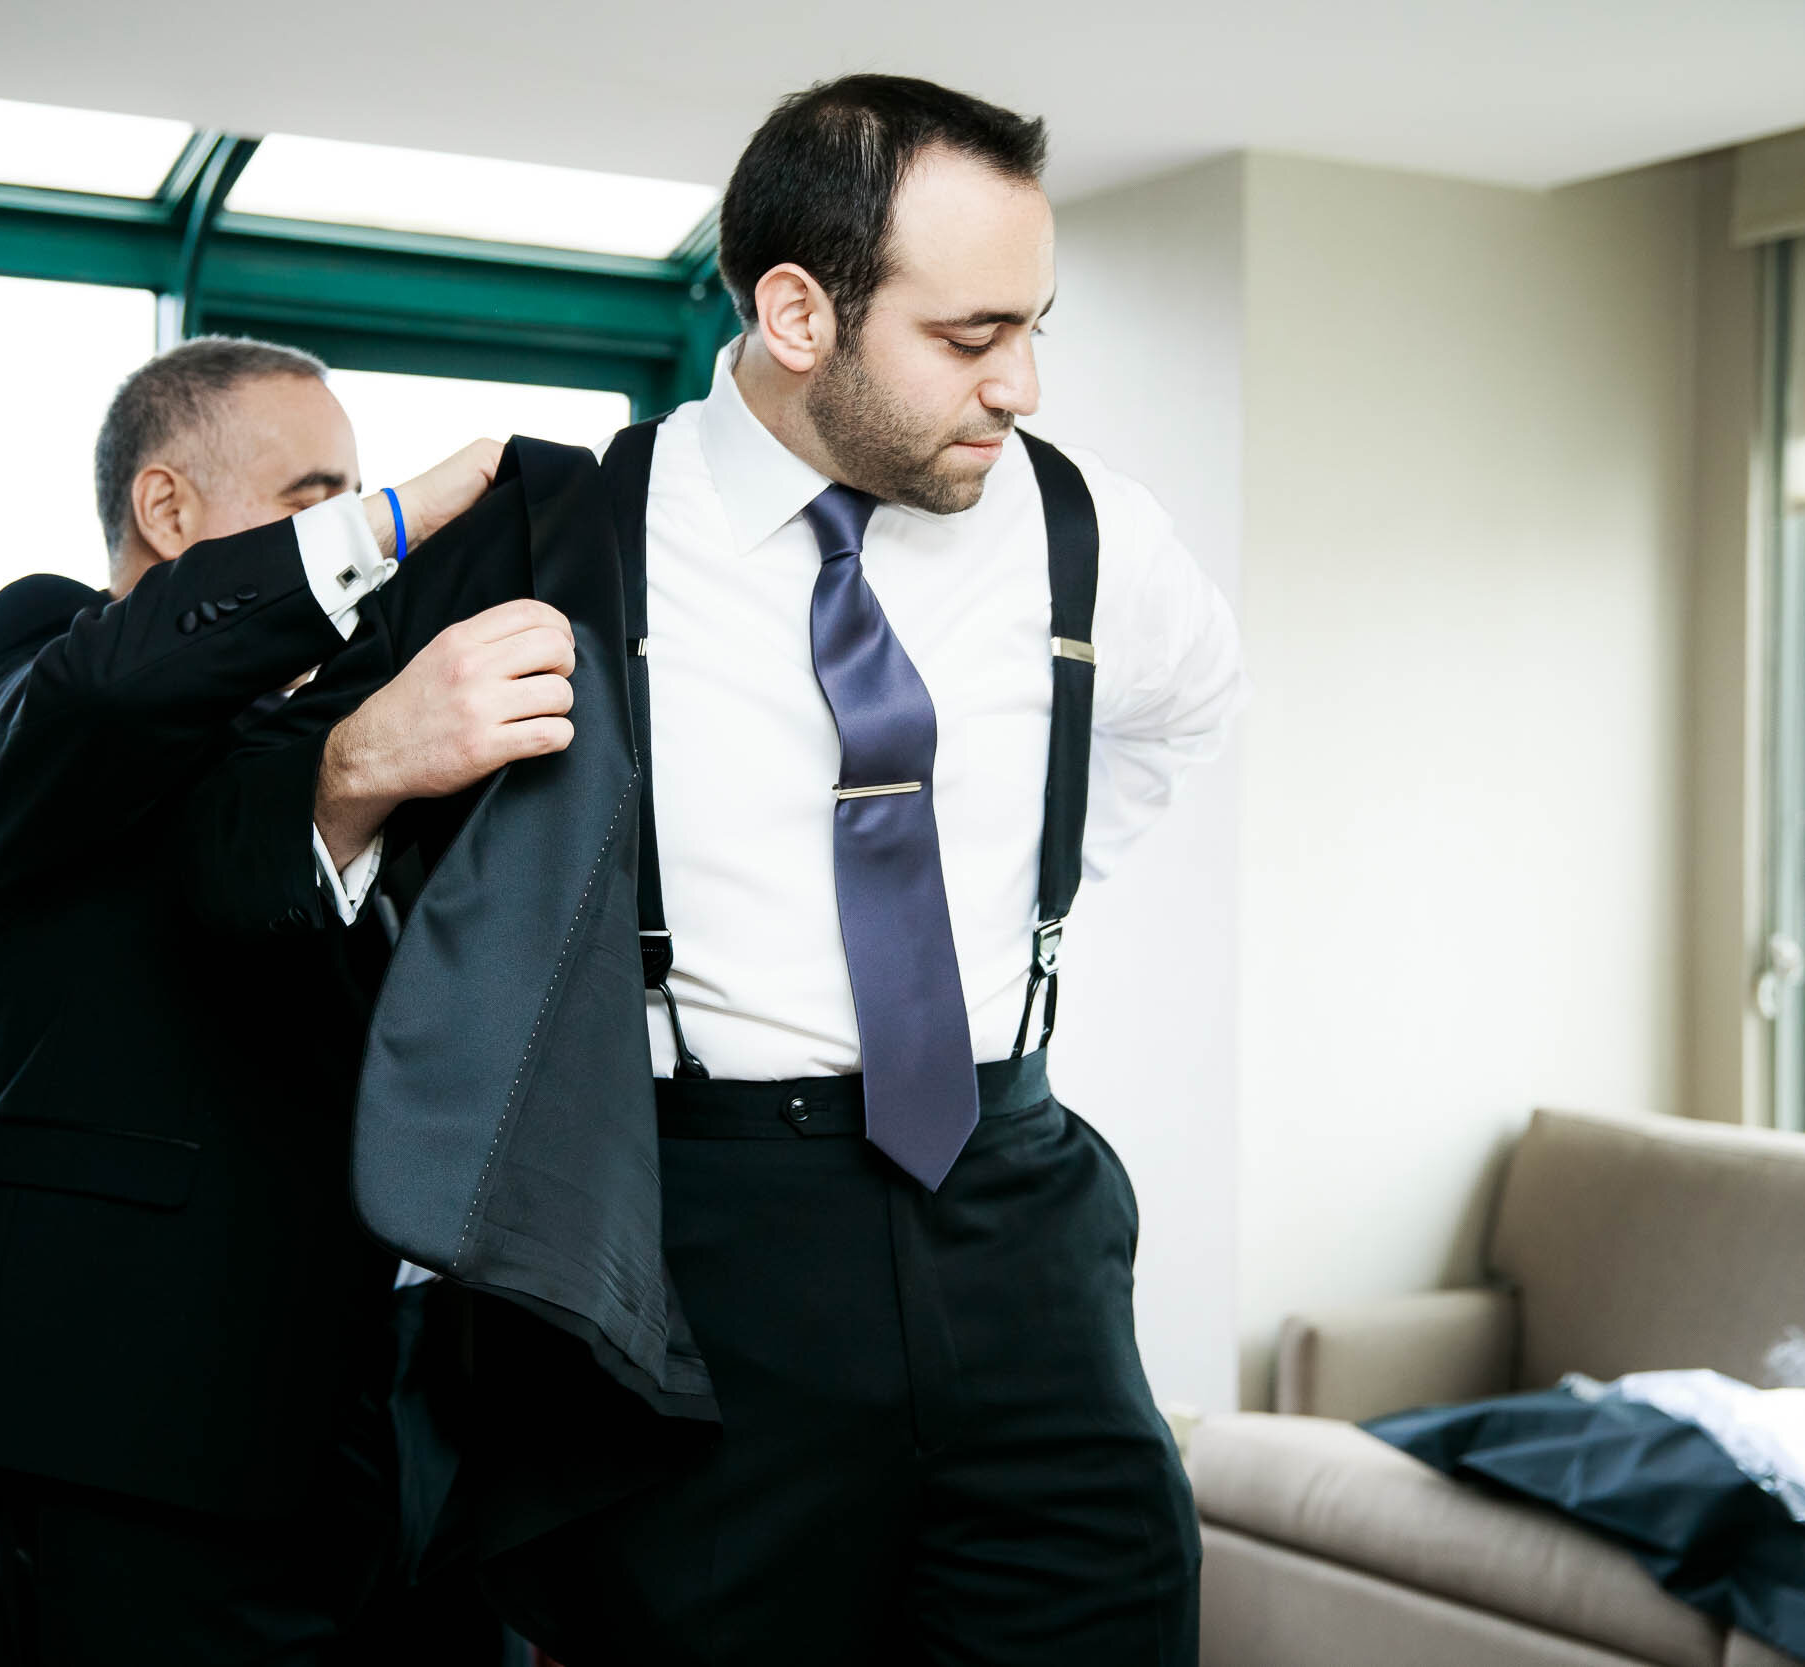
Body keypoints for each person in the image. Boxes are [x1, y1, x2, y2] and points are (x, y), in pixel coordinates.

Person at [283, 75, 1247, 1666]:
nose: (1019, 383)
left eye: (1037, 326)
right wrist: (361, 766)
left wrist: (1007, 908)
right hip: (711, 1249)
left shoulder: (1090, 533)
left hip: (1021, 1225)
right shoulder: (571, 535)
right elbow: (287, 823)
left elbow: (1183, 715)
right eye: (968, 335)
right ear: (798, 312)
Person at [0, 336, 576, 1665]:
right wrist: (423, 508)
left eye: (365, 499)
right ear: (169, 511)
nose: (368, 544)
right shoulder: (38, 653)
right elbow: (124, 697)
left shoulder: (370, 710)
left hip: (380, 1415)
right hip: (121, 1421)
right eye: (323, 500)